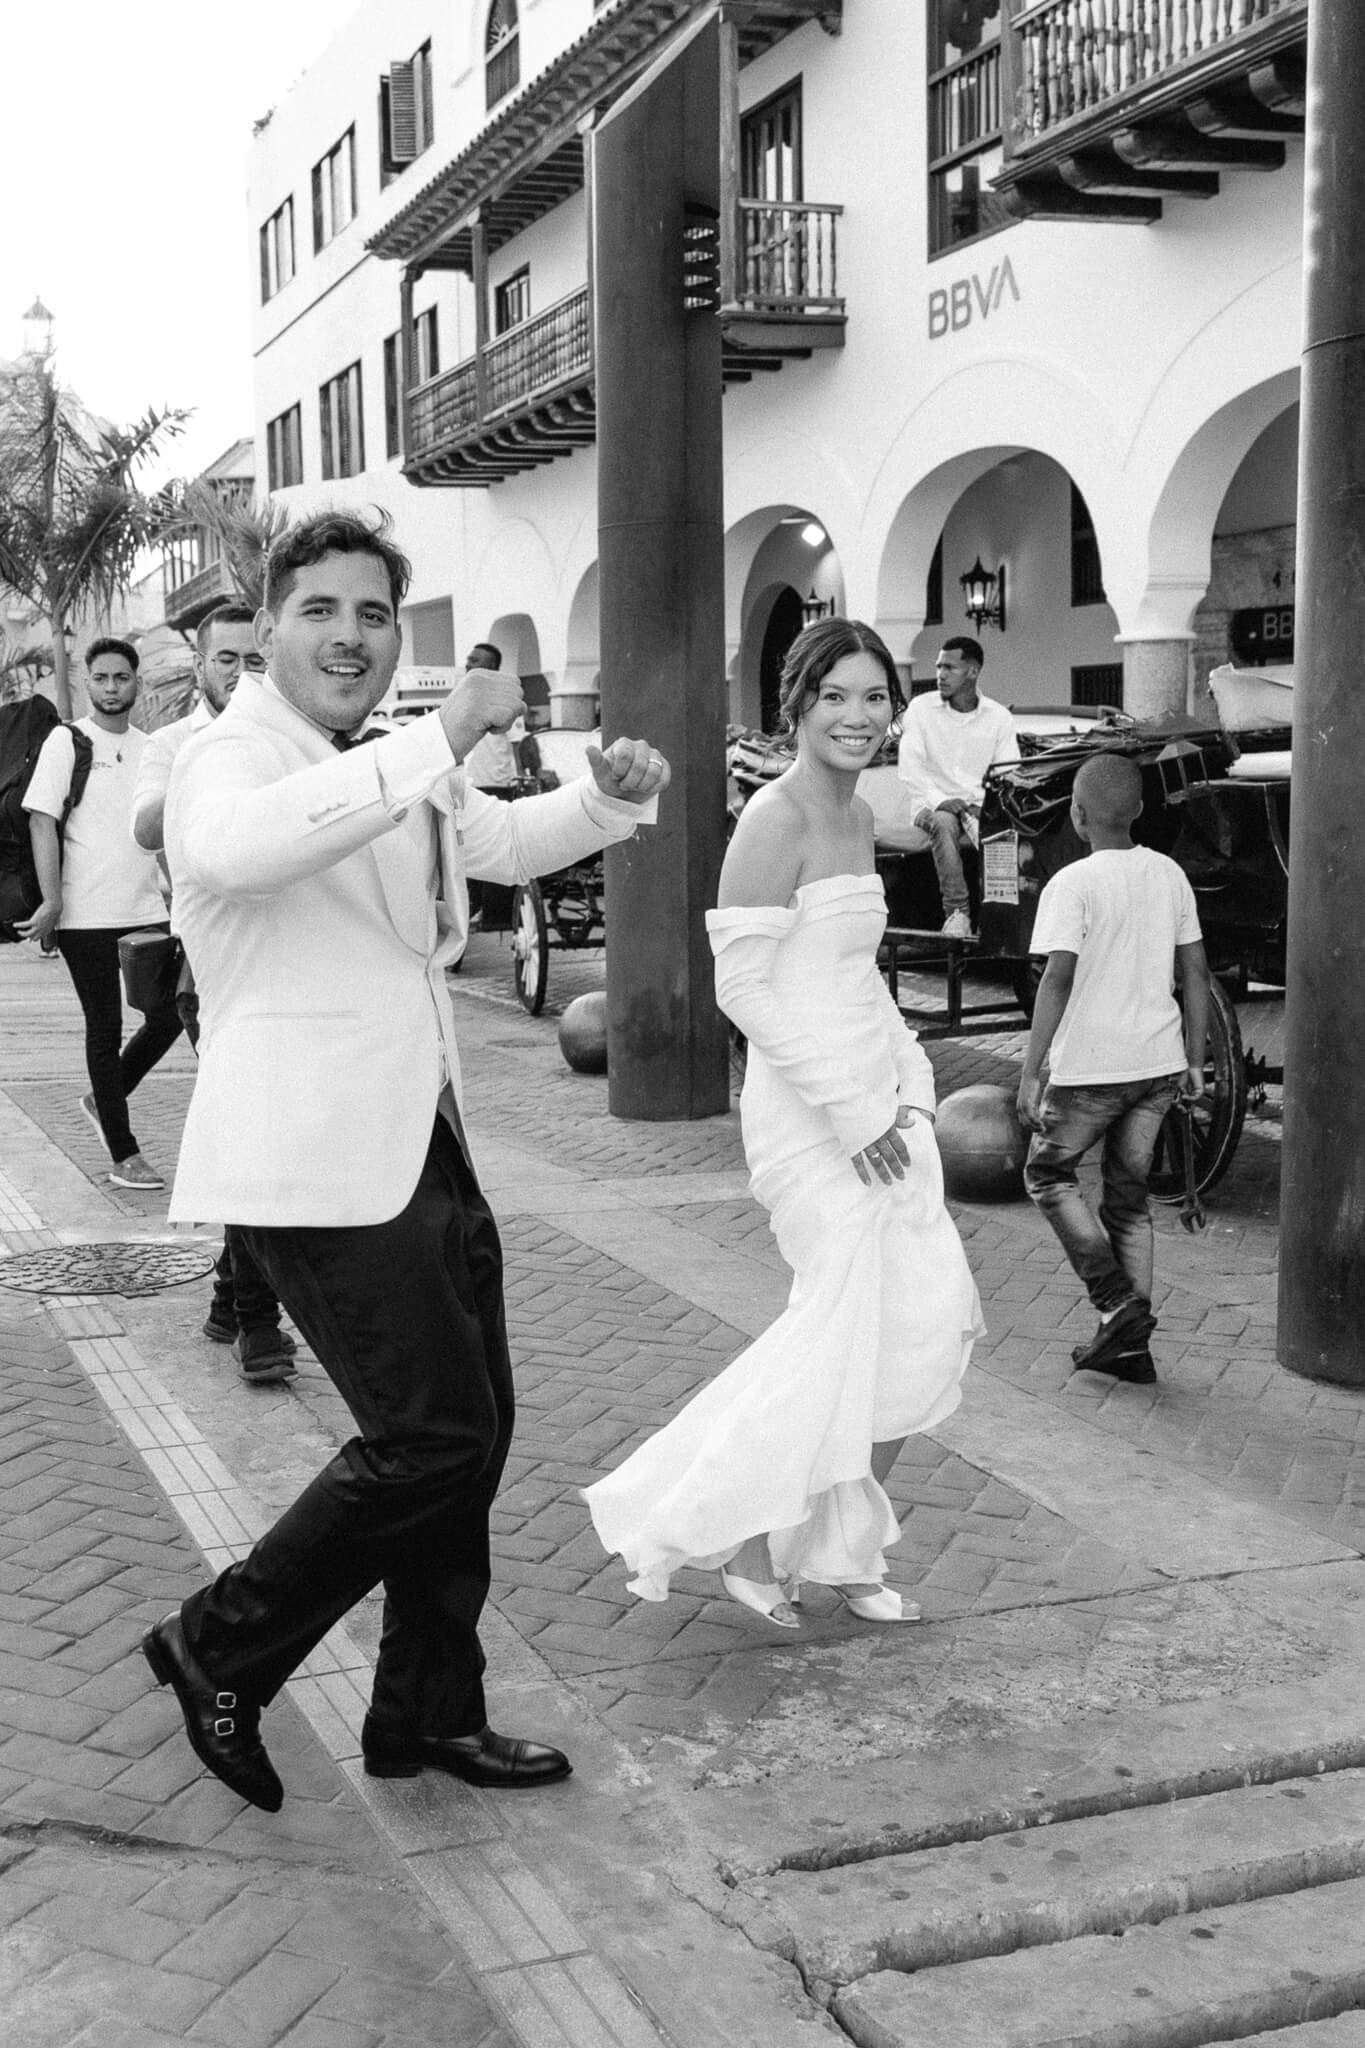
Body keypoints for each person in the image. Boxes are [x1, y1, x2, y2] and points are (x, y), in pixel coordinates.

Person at [142, 510, 669, 1813]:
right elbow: (235, 850)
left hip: (421, 1144)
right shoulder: (229, 758)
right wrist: (439, 739)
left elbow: (492, 846)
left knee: (469, 1439)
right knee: (428, 1437)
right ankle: (221, 1640)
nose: (351, 635)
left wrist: (606, 798)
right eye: (320, 609)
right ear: (265, 630)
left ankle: (425, 1715)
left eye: (375, 614)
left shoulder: (385, 760)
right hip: (301, 1165)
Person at [586, 618, 981, 1629]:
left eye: (873, 697)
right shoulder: (776, 816)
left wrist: (914, 1080)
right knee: (838, 1331)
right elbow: (745, 988)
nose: (857, 715)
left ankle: (846, 1548)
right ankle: (752, 1542)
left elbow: (855, 976)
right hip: (810, 1116)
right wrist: (851, 1111)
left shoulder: (858, 813)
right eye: (835, 696)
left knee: (925, 1324)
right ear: (796, 704)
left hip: (881, 1102)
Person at [130, 604, 297, 1386]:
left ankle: (233, 1299)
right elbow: (144, 827)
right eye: (224, 659)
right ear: (200, 664)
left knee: (268, 1139)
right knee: (256, 1139)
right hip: (212, 977)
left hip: (296, 970)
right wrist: (217, 765)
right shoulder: (175, 745)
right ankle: (258, 1323)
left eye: (250, 659)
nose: (239, 672)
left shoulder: (295, 741)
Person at [1016, 752, 1210, 1386]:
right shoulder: (1169, 874)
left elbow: (1057, 979)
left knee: (1047, 1174)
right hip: (1157, 1064)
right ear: (1140, 811)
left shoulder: (1071, 884)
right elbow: (1195, 973)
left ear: (1075, 814)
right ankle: (1132, 1349)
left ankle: (1116, 1304)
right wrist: (1197, 1059)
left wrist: (1030, 1067)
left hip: (1091, 1071)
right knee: (1129, 1199)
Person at [18, 637, 182, 1189]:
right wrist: (53, 901)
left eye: (121, 678)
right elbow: (42, 820)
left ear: (137, 683)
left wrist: (175, 888)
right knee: (104, 1028)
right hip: (84, 916)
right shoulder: (67, 742)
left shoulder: (153, 747)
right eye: (102, 678)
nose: (112, 687)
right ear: (88, 683)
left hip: (144, 908)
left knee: (171, 1012)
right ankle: (124, 1153)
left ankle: (102, 1094)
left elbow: (157, 824)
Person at [897, 635, 1016, 938]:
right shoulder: (921, 709)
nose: (940, 674)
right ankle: (957, 915)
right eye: (938, 667)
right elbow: (910, 769)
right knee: (943, 822)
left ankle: (1000, 917)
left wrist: (985, 805)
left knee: (1003, 833)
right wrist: (941, 800)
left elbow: (1009, 771)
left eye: (949, 667)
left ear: (973, 672)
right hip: (930, 804)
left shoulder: (999, 717)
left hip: (978, 805)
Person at [460, 642, 541, 793]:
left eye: (474, 661)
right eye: (468, 660)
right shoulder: (465, 697)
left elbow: (518, 742)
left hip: (498, 785)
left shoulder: (507, 697)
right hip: (470, 785)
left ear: (491, 666)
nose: (468, 665)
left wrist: (520, 775)